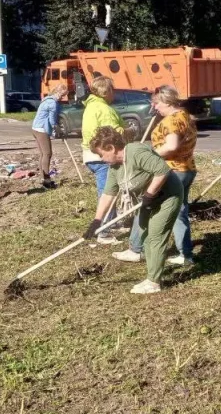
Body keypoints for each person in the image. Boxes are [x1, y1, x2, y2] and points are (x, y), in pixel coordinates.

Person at [83, 126, 183, 294]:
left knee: (156, 236)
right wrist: (97, 221)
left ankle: (154, 282)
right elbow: (108, 194)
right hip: (147, 200)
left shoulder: (135, 152)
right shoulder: (115, 168)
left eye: (101, 154)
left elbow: (162, 170)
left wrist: (150, 194)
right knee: (145, 234)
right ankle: (152, 271)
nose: (101, 158)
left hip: (167, 196)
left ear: (111, 148)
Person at [117, 85, 198, 266]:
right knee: (180, 212)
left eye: (156, 104)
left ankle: (136, 249)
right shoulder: (184, 115)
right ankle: (185, 254)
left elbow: (172, 145)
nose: (154, 108)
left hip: (172, 171)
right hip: (187, 169)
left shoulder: (170, 121)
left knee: (146, 206)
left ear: (165, 102)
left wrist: (149, 156)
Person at [80, 76, 125, 243]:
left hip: (91, 156)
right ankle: (103, 231)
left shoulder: (91, 106)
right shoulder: (104, 109)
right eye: (112, 89)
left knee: (108, 188)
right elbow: (113, 132)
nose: (114, 93)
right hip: (102, 157)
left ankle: (112, 222)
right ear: (106, 92)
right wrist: (127, 130)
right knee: (107, 192)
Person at [32, 83, 68, 189]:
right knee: (47, 154)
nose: (62, 98)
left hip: (35, 128)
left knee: (43, 154)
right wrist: (58, 130)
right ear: (57, 92)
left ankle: (43, 178)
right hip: (41, 129)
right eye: (62, 95)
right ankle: (47, 181)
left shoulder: (47, 99)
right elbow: (52, 120)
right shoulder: (52, 103)